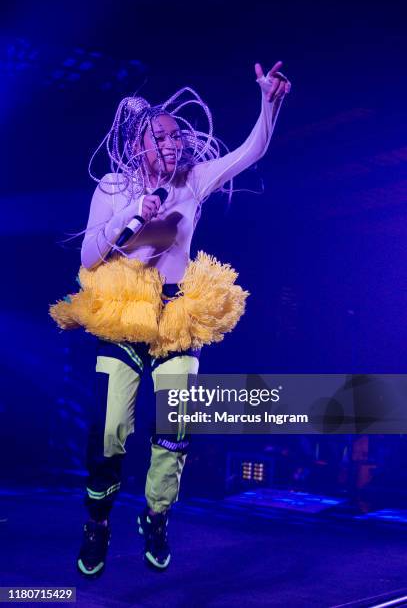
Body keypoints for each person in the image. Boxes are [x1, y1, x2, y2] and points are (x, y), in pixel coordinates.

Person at [50, 60, 291, 576]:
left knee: (173, 432)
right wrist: (132, 212)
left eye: (177, 135)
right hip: (122, 316)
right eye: (162, 136)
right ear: (140, 143)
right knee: (112, 429)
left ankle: (156, 518)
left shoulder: (193, 180)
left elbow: (252, 151)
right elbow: (89, 257)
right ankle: (97, 522)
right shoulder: (115, 186)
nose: (173, 143)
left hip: (177, 316)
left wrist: (269, 103)